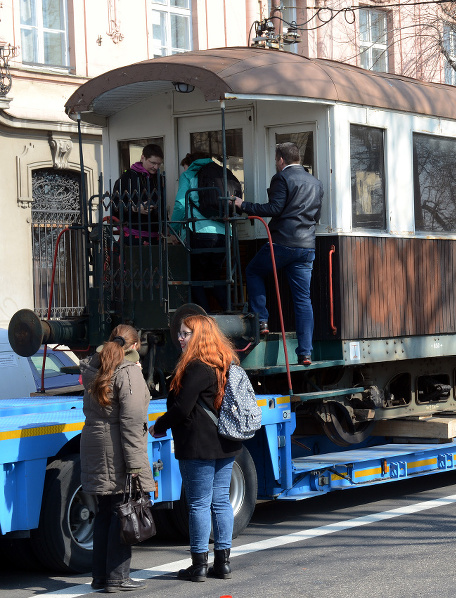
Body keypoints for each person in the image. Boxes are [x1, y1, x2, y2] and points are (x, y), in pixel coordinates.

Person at [149, 315, 241, 582]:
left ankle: (198, 564)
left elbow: (182, 408)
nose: (180, 337)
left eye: (186, 333)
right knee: (221, 500)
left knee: (200, 503)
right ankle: (223, 563)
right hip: (226, 442)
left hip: (199, 445)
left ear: (199, 336)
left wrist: (159, 425)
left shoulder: (196, 367)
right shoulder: (225, 362)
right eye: (180, 333)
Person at [233, 142, 322, 366]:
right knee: (303, 299)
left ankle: (262, 320)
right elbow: (316, 216)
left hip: (283, 242)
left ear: (281, 159)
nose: (275, 163)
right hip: (307, 246)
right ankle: (305, 353)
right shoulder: (316, 182)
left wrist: (243, 205)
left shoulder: (281, 178)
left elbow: (274, 209)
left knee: (253, 271)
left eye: (275, 159)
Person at [80, 325, 153, 593]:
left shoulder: (94, 367)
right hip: (118, 450)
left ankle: (100, 578)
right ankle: (117, 577)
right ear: (134, 346)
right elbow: (132, 424)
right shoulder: (129, 371)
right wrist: (136, 466)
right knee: (125, 513)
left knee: (105, 514)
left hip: (94, 444)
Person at [170, 153, 235, 311]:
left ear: (191, 164)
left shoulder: (190, 174)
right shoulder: (223, 172)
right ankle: (230, 311)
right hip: (225, 234)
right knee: (214, 277)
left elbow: (180, 204)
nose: (184, 171)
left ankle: (203, 320)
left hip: (200, 232)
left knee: (195, 279)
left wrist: (173, 229)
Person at [113, 144, 164, 244]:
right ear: (143, 158)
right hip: (133, 235)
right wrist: (134, 208)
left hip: (155, 234)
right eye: (153, 163)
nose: (156, 167)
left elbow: (162, 203)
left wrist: (164, 224)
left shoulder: (159, 178)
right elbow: (115, 207)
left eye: (159, 164)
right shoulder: (127, 177)